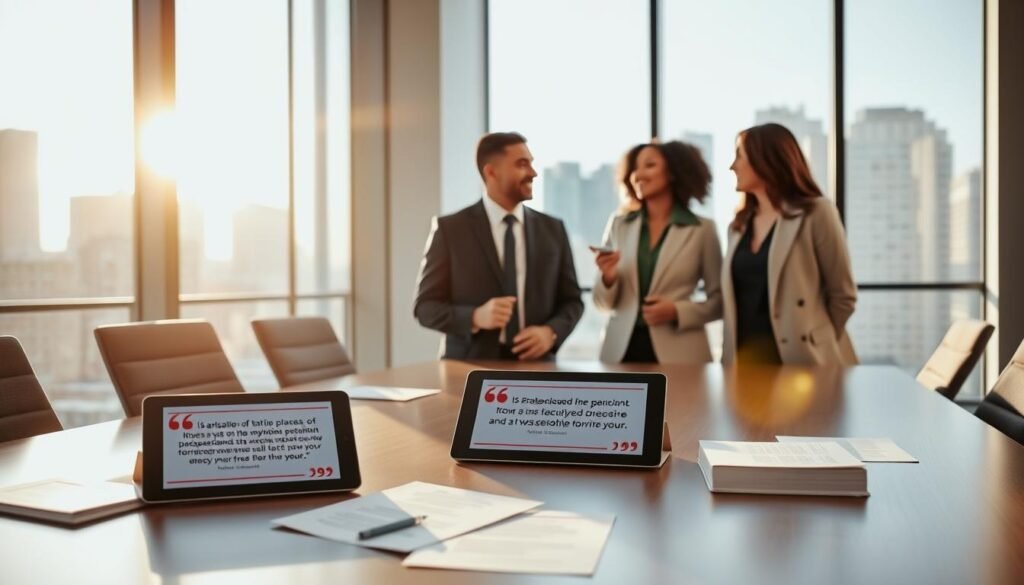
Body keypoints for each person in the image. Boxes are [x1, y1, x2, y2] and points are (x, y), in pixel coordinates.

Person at [413, 132, 584, 360]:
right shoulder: (450, 230)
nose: (533, 173)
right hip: (468, 367)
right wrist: (475, 317)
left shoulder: (553, 229)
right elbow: (425, 308)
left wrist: (551, 332)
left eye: (531, 163)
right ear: (491, 172)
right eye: (522, 164)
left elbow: (572, 301)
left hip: (536, 367)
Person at [721, 123, 857, 365]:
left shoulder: (817, 212)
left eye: (739, 155)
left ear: (766, 159)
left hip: (804, 362)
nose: (733, 166)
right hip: (745, 364)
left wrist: (816, 339)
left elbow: (843, 296)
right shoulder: (738, 226)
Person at [592, 141, 722, 364]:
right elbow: (601, 303)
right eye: (635, 168)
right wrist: (608, 278)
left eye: (649, 165)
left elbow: (720, 301)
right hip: (621, 352)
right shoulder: (619, 225)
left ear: (673, 173)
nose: (638, 175)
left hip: (681, 353)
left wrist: (677, 311)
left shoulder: (703, 230)